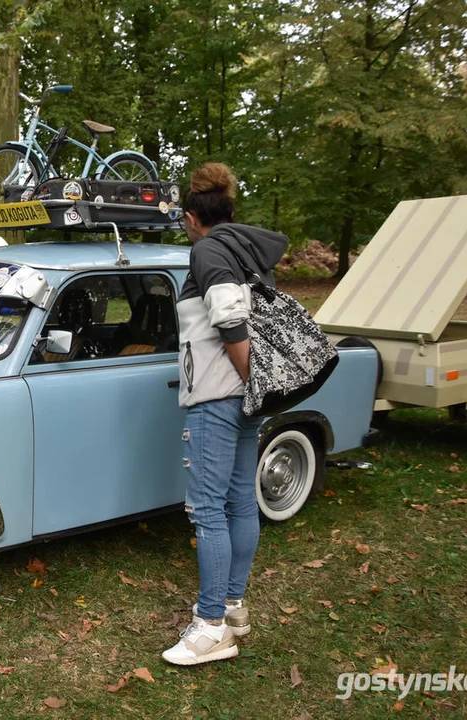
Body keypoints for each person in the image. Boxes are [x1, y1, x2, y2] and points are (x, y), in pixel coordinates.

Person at [162, 162, 287, 666]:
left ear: (193, 216)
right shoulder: (246, 251)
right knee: (240, 501)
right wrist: (255, 386)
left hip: (218, 394)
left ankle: (211, 625)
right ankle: (233, 607)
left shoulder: (208, 250)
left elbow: (231, 316)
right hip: (243, 395)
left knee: (208, 508)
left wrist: (247, 376)